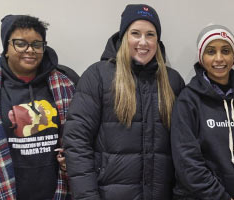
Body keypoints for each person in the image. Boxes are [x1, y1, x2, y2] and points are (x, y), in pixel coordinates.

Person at [63, 4, 185, 200]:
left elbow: (183, 148)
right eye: (135, 33)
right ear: (123, 36)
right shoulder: (98, 76)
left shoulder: (172, 81)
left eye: (150, 34)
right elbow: (77, 142)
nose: (143, 42)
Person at [0, 15, 78, 200]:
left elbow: (80, 138)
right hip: (4, 187)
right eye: (20, 43)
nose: (30, 50)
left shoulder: (67, 84)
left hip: (57, 190)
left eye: (36, 44)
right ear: (6, 48)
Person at [171, 24, 234, 200]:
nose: (219, 58)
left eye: (226, 50)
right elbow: (187, 162)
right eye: (211, 51)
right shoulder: (187, 101)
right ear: (201, 57)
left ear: (233, 56)